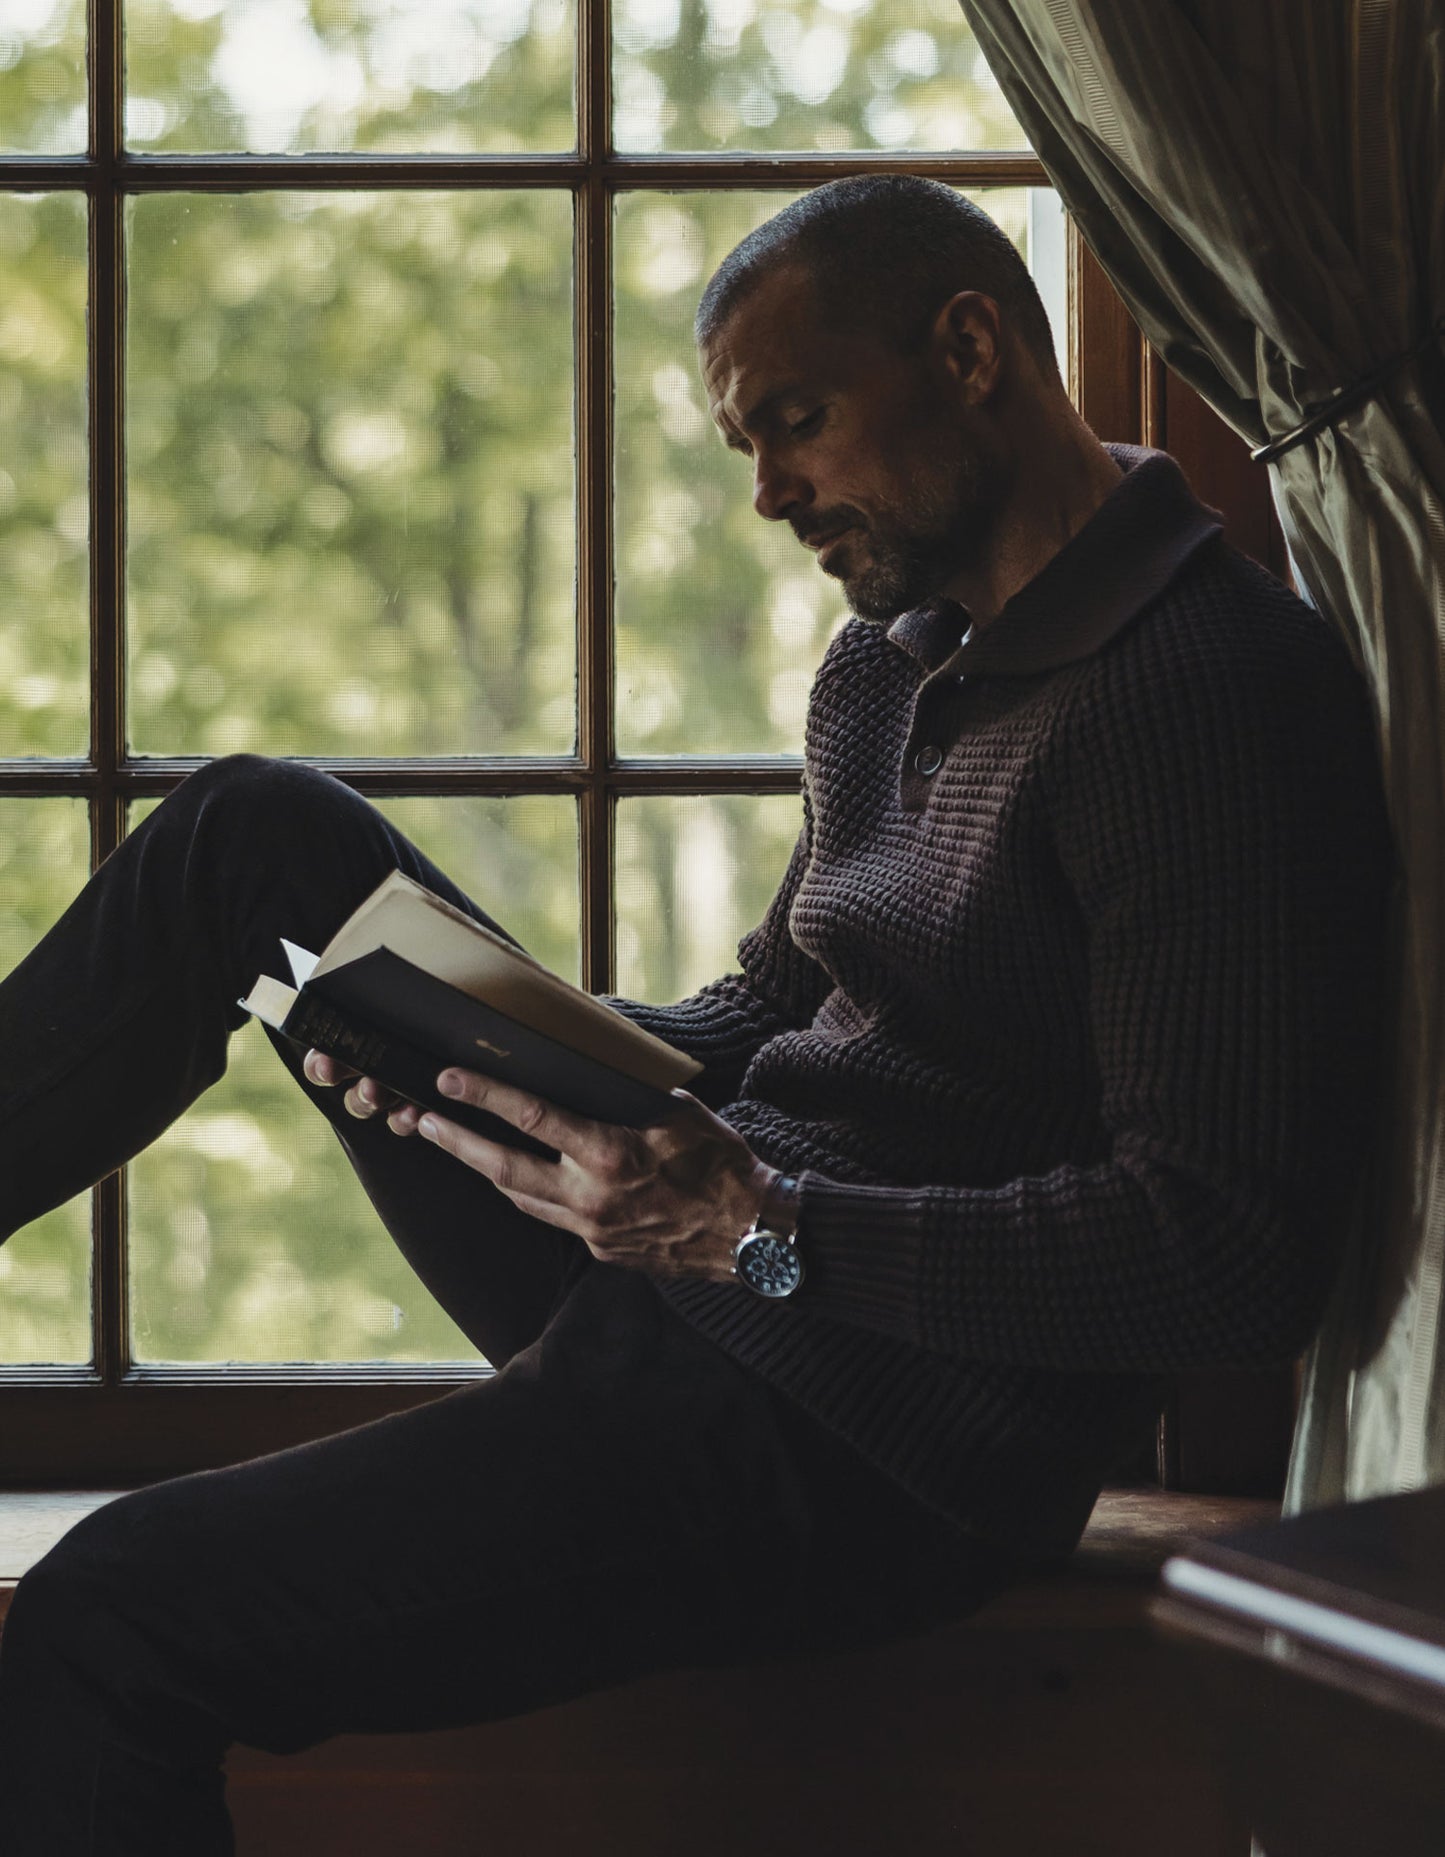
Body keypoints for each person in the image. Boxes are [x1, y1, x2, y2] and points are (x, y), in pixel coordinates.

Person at [0, 175, 1391, 1853]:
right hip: (697, 1284)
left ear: (968, 349)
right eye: (746, 442)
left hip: (870, 1440)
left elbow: (1224, 1247)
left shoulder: (1205, 691)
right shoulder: (890, 660)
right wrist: (479, 1037)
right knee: (251, 829)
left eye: (793, 424)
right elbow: (766, 1004)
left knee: (107, 1614)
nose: (765, 493)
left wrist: (761, 1235)